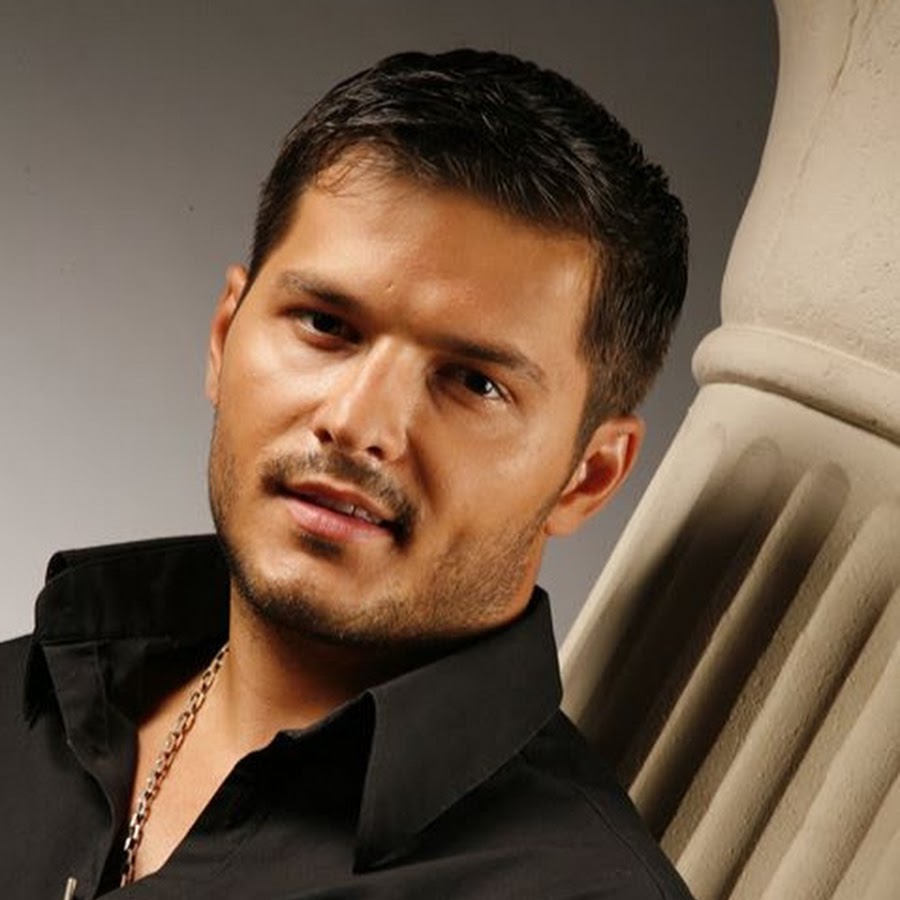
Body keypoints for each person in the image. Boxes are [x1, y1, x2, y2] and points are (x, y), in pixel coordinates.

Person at [0, 49, 692, 898]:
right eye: (326, 325)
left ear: (588, 477)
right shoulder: (26, 699)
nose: (359, 422)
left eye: (474, 382)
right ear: (224, 335)